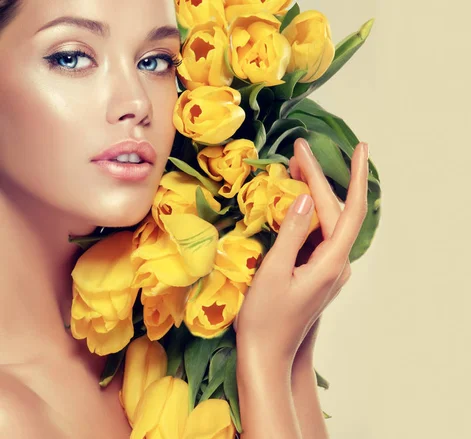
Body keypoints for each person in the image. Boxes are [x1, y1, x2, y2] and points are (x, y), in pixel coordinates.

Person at [0, 0, 370, 438]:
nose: (136, 102)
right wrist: (266, 363)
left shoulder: (168, 341)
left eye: (154, 62)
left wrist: (291, 344)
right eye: (71, 57)